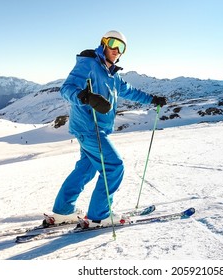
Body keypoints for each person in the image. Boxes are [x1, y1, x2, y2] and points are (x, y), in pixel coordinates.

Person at [46, 30, 166, 227]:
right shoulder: (89, 63)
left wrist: (152, 99)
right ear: (103, 44)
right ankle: (99, 215)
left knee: (86, 169)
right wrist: (86, 97)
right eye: (112, 43)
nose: (116, 50)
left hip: (93, 129)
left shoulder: (113, 75)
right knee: (113, 166)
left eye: (121, 47)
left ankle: (63, 211)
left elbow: (130, 91)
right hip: (89, 127)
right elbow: (66, 88)